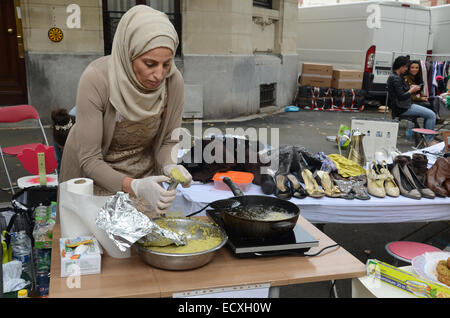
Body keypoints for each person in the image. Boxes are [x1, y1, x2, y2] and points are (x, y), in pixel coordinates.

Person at [59, 5, 192, 217]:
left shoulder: (173, 81)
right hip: (95, 177)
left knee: (146, 242)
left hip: (145, 176)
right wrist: (135, 186)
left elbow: (168, 140)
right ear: (128, 53)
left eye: (166, 64)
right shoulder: (96, 79)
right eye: (150, 64)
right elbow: (90, 160)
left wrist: (169, 166)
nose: (159, 74)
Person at [387, 56, 437, 145]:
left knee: (429, 111)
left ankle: (426, 139)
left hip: (403, 105)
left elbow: (400, 92)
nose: (407, 69)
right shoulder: (396, 78)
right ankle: (428, 141)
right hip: (403, 107)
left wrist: (410, 88)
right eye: (406, 67)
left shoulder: (396, 76)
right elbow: (401, 96)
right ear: (401, 66)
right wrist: (411, 90)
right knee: (431, 115)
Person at [404, 60, 444, 124]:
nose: (415, 69)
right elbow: (409, 94)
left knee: (435, 98)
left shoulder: (418, 77)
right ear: (409, 68)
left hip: (418, 99)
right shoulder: (406, 78)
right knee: (429, 106)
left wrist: (424, 97)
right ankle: (431, 121)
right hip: (410, 101)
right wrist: (421, 98)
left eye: (417, 68)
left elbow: (421, 91)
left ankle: (436, 117)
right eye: (412, 67)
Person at [51, 108, 75, 175]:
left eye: (65, 148)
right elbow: (60, 163)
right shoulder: (57, 129)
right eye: (61, 148)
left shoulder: (83, 130)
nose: (62, 150)